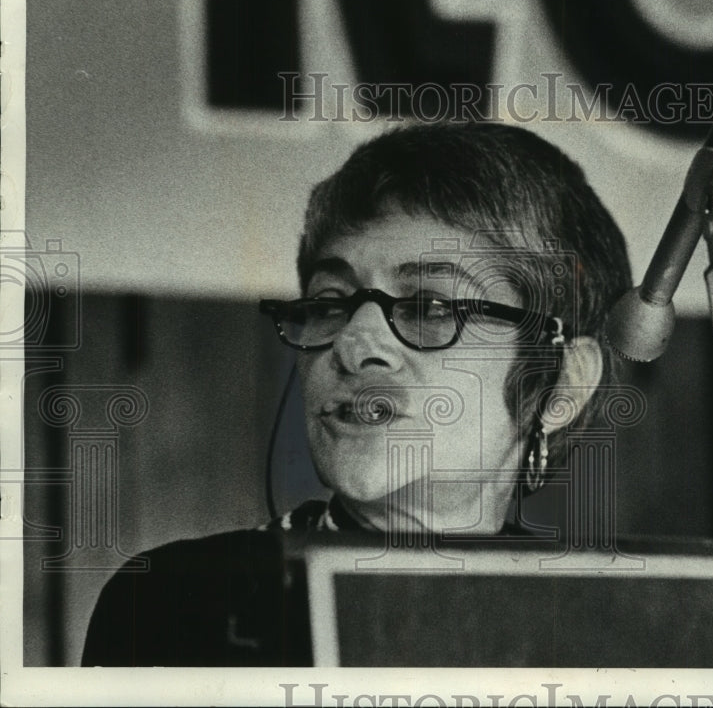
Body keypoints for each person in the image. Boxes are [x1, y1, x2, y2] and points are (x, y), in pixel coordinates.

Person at [81, 122, 632, 665]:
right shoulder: (175, 606)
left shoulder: (609, 632)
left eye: (431, 307)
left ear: (561, 382)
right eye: (330, 302)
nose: (354, 342)